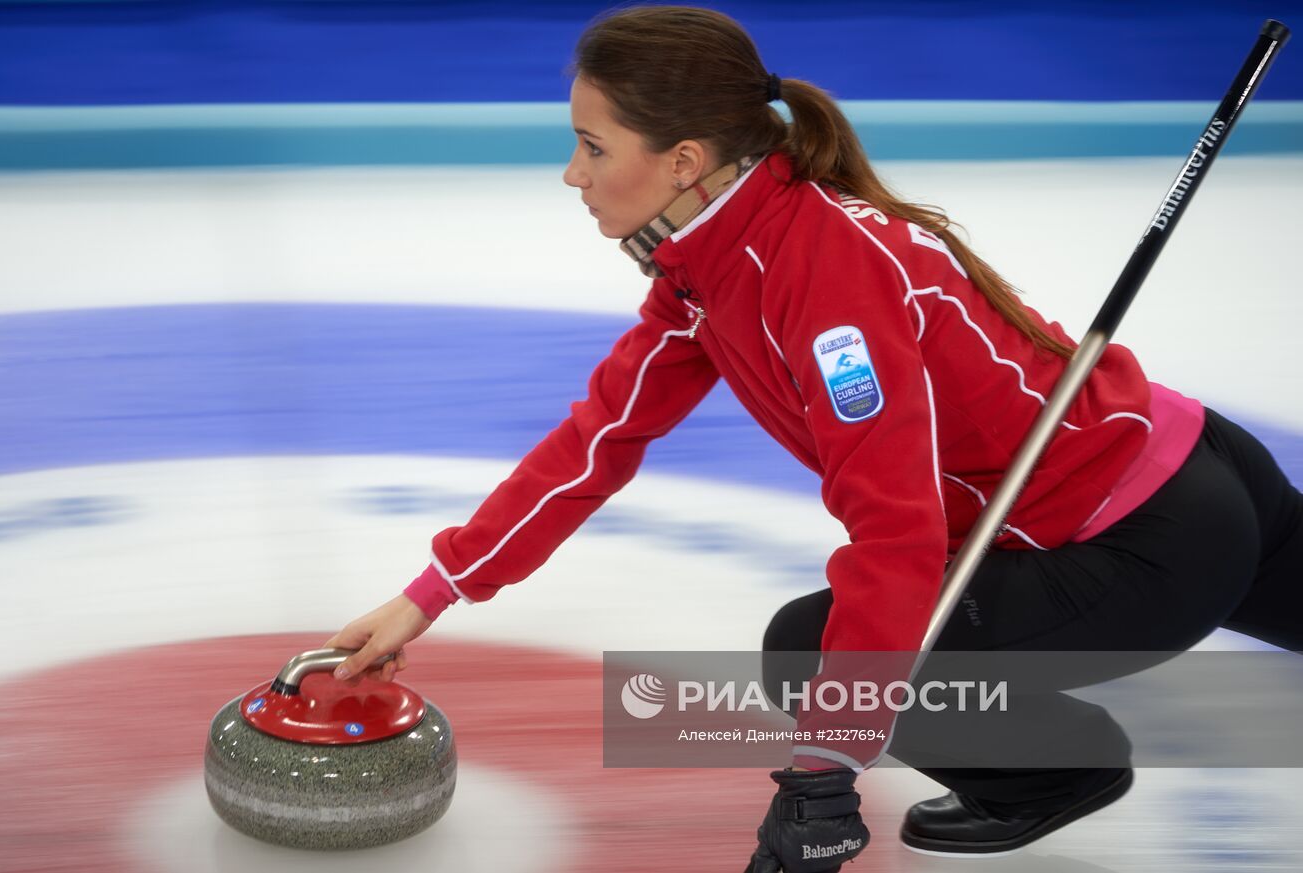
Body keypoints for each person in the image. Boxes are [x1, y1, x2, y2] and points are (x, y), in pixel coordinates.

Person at [324, 5, 1303, 869]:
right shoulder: (712, 264)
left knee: (804, 650)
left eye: (591, 145)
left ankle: (1053, 771)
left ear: (681, 162)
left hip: (1138, 540)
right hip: (1190, 459)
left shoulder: (824, 288)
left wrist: (828, 765)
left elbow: (895, 534)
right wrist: (430, 593)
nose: (571, 172)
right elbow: (597, 441)